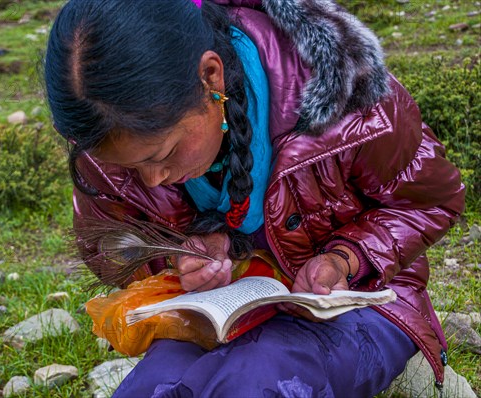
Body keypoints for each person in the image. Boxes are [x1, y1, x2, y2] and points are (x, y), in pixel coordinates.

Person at [44, 0, 465, 396]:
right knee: (157, 385)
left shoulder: (343, 89)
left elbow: (432, 199)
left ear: (211, 77)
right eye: (133, 168)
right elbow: (110, 248)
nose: (153, 181)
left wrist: (346, 258)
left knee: (256, 380)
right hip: (224, 310)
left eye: (164, 155)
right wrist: (180, 258)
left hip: (363, 300)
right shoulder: (101, 139)